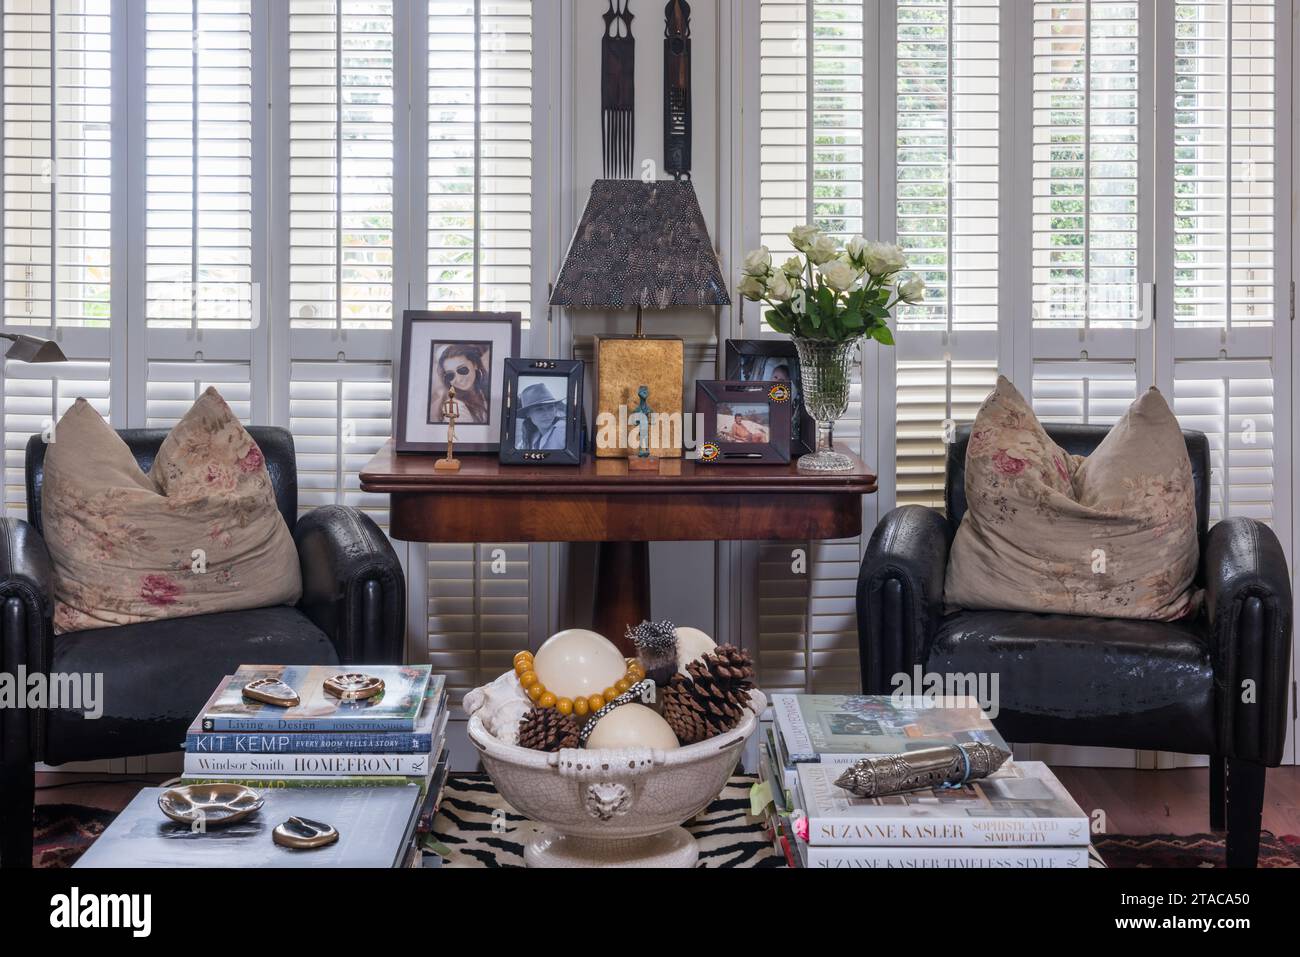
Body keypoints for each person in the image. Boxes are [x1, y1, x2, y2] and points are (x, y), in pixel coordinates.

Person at [431, 344, 490, 424]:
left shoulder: (482, 389)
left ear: (475, 364)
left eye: (462, 369)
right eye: (450, 375)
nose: (459, 379)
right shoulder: (456, 408)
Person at [516, 381, 567, 451]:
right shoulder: (531, 436)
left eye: (550, 407)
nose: (547, 414)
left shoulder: (562, 431)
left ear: (555, 409)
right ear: (528, 414)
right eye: (539, 409)